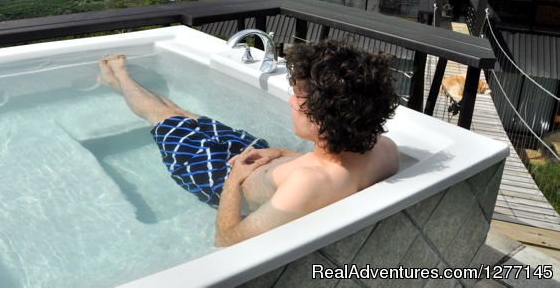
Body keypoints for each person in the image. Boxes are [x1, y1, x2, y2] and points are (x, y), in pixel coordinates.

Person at [97, 39, 400, 247]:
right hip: (259, 156)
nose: (292, 101)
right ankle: (125, 86)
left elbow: (227, 240)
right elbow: (331, 169)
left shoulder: (306, 185)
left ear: (322, 118)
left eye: (299, 97)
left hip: (219, 177)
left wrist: (234, 180)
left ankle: (120, 78)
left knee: (163, 117)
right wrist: (281, 153)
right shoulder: (383, 150)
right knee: (188, 116)